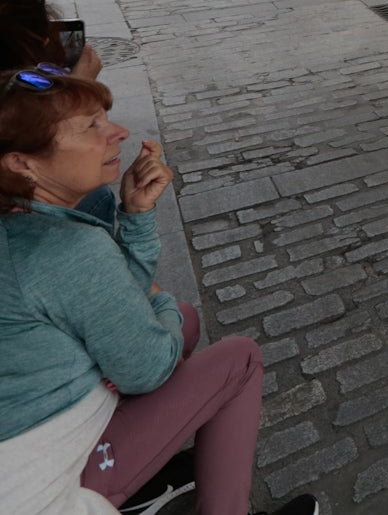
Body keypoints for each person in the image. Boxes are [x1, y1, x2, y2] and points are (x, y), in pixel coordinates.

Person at [0, 70, 321, 515]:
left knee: (183, 320)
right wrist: (160, 305)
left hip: (34, 426)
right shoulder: (62, 248)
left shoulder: (22, 224)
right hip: (37, 485)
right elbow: (147, 369)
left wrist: (135, 214)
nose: (118, 131)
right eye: (91, 126)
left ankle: (144, 475)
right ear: (21, 162)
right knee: (240, 358)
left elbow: (114, 297)